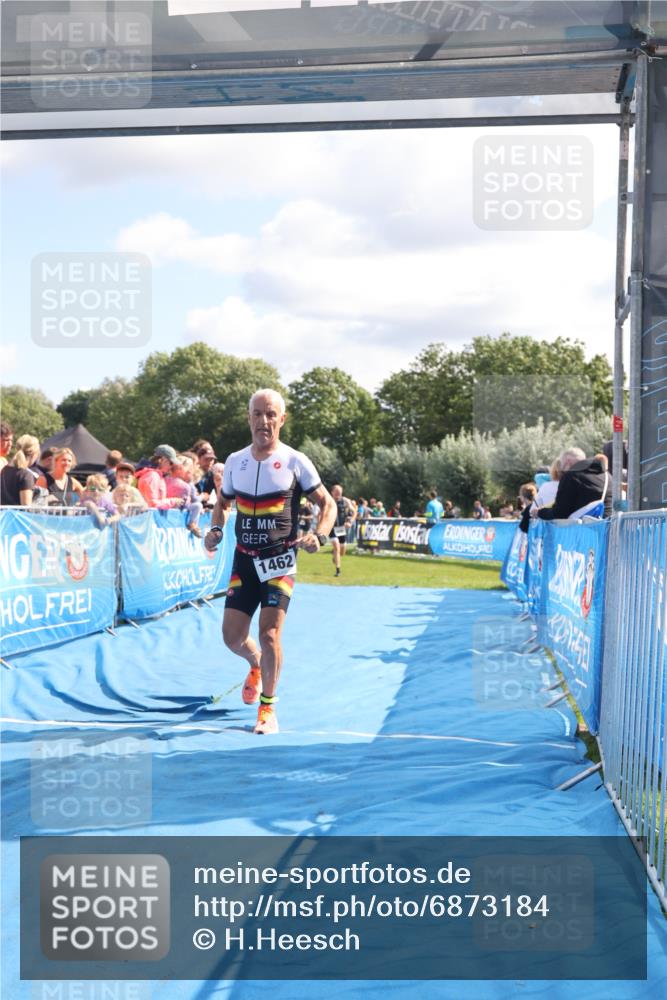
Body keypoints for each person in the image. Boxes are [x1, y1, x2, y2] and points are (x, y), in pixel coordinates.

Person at [205, 389, 336, 735]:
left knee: (270, 633)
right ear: (249, 418)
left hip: (280, 561)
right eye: (258, 414)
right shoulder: (235, 461)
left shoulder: (295, 461)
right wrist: (215, 530)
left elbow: (329, 504)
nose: (264, 421)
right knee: (232, 638)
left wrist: (320, 535)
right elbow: (223, 503)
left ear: (282, 419)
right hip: (244, 561)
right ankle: (256, 663)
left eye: (271, 414)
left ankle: (267, 708)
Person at [537, 452, 612, 522]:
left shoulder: (572, 476)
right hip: (607, 527)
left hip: (583, 529)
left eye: (561, 467)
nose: (562, 472)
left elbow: (560, 513)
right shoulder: (608, 477)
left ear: (567, 461)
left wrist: (540, 512)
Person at [164, 454, 204, 537]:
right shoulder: (185, 486)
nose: (191, 472)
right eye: (189, 469)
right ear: (181, 469)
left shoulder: (164, 479)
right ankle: (192, 524)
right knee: (198, 506)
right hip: (175, 511)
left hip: (166, 509)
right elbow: (185, 504)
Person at [135, 445, 185, 510]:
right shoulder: (152, 476)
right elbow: (153, 504)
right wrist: (173, 501)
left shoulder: (155, 475)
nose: (171, 467)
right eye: (171, 463)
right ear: (162, 460)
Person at [329, 484, 357, 577]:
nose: (338, 494)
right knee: (336, 547)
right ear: (332, 492)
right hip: (331, 528)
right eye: (336, 492)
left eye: (340, 492)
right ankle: (338, 570)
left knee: (342, 551)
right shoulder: (328, 500)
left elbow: (354, 512)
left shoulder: (345, 501)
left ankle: (335, 556)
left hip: (341, 528)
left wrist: (350, 521)